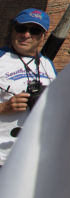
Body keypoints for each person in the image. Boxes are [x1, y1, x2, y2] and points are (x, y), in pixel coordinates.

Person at [0, 9, 57, 167]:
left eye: (34, 30)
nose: (26, 35)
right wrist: (4, 107)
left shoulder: (48, 66)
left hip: (31, 158)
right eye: (21, 28)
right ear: (13, 29)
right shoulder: (2, 59)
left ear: (43, 36)